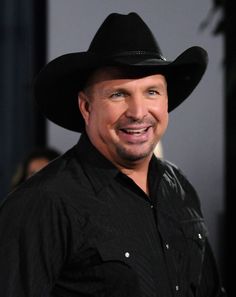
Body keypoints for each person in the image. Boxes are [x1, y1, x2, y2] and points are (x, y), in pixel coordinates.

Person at [0, 12, 226, 297]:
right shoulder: (43, 203)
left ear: (167, 101)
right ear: (86, 107)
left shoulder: (179, 187)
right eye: (118, 94)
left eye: (152, 92)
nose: (138, 112)